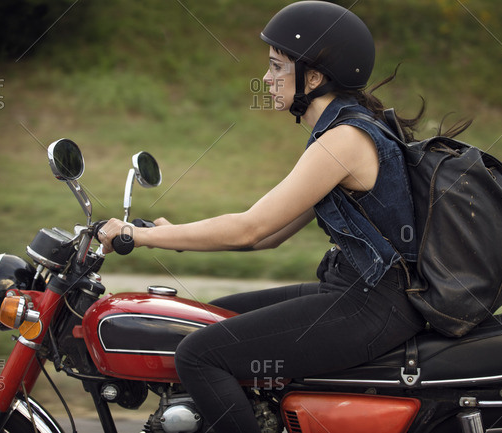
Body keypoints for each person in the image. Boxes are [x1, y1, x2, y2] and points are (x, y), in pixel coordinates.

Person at [99, 2, 431, 432]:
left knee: (198, 354)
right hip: (355, 292)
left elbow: (250, 228)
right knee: (210, 318)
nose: (267, 78)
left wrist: (137, 237)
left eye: (277, 67)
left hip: (374, 305)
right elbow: (266, 236)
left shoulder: (344, 140)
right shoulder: (342, 130)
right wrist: (172, 235)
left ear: (313, 78)